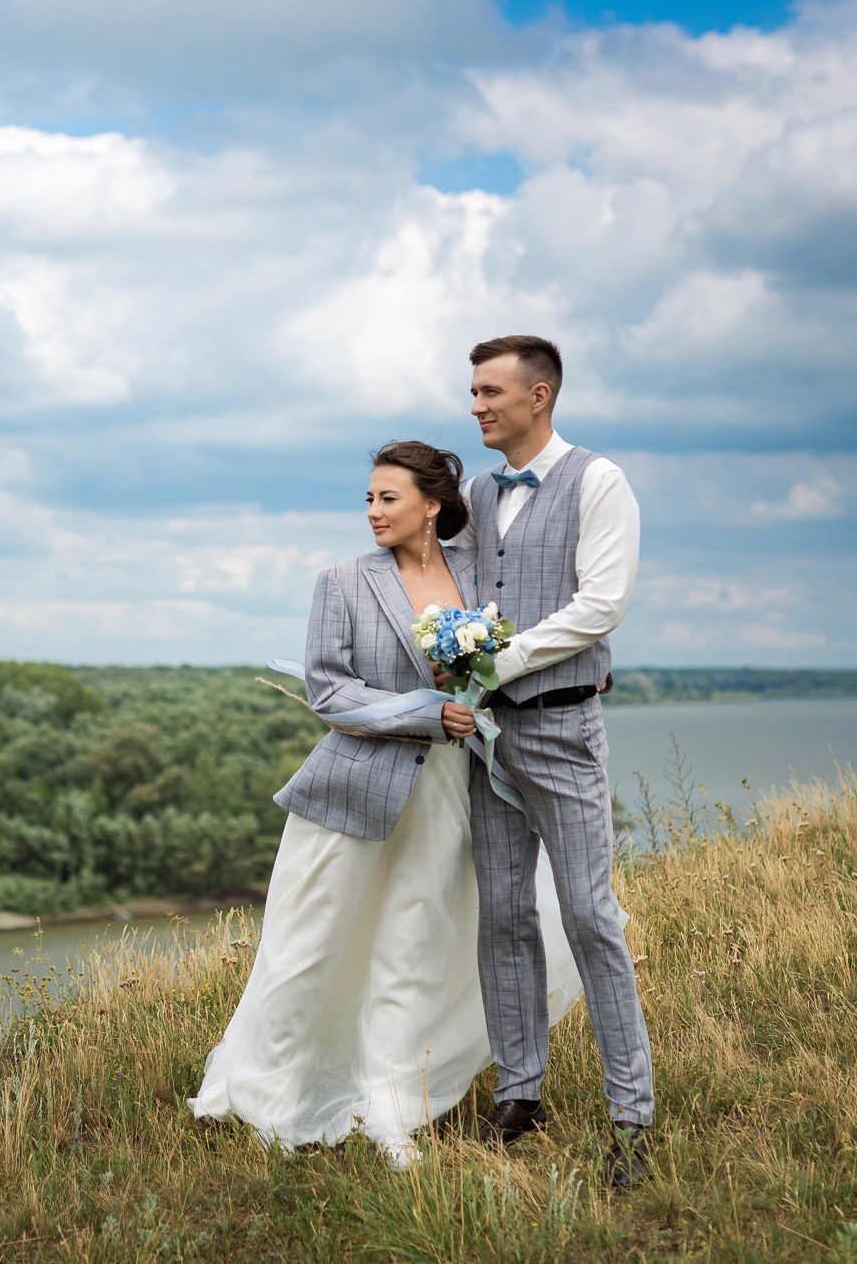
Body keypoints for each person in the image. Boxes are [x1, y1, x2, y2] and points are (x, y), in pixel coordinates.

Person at [188, 440, 581, 1170]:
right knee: (304, 947)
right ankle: (266, 1102)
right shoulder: (340, 581)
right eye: (368, 498)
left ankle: (389, 1110)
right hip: (352, 790)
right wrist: (427, 710)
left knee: (412, 948)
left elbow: (508, 664)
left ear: (432, 505)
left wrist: (476, 694)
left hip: (446, 793)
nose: (372, 511)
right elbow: (331, 693)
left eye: (387, 498)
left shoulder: (478, 575)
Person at [462, 335, 655, 1188]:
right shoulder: (476, 489)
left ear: (539, 395)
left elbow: (601, 603)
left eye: (491, 391)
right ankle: (521, 1088)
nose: (477, 406)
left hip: (563, 729)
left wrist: (497, 662)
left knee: (587, 914)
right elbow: (465, 595)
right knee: (503, 913)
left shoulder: (599, 481)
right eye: (472, 391)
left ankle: (631, 1115)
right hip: (486, 737)